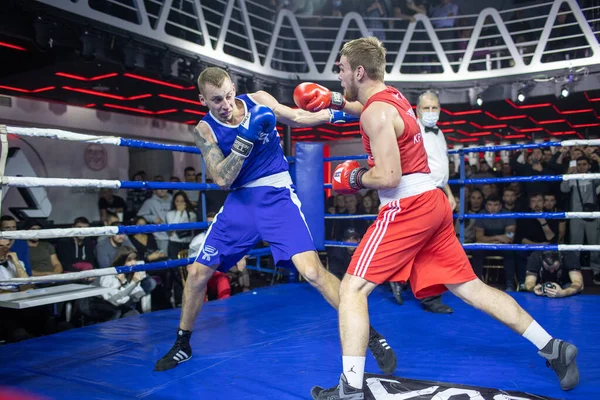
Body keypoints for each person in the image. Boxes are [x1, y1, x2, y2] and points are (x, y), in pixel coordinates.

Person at [294, 37, 578, 399]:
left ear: (359, 70)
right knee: (471, 289)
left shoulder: (375, 113)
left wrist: (352, 178)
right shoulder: (392, 98)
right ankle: (553, 347)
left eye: (342, 68)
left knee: (351, 288)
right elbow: (366, 109)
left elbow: (389, 177)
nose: (337, 73)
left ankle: (349, 389)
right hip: (432, 202)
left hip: (407, 204)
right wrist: (335, 101)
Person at [154, 67, 396, 374]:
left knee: (312, 272)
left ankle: (369, 334)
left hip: (276, 196)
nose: (226, 105)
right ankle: (182, 344)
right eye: (217, 100)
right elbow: (220, 179)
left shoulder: (258, 100)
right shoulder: (204, 130)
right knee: (198, 272)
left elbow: (296, 117)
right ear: (203, 100)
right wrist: (245, 140)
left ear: (235, 88)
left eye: (229, 95)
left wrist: (335, 115)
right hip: (240, 201)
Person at [389, 90, 454, 313]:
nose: (430, 112)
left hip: (436, 192)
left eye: (434, 108)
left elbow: (439, 166)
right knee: (428, 246)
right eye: (426, 108)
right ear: (417, 110)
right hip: (420, 192)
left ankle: (401, 280)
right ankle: (415, 289)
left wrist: (449, 192)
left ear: (440, 109)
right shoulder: (412, 130)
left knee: (430, 246)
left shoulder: (439, 133)